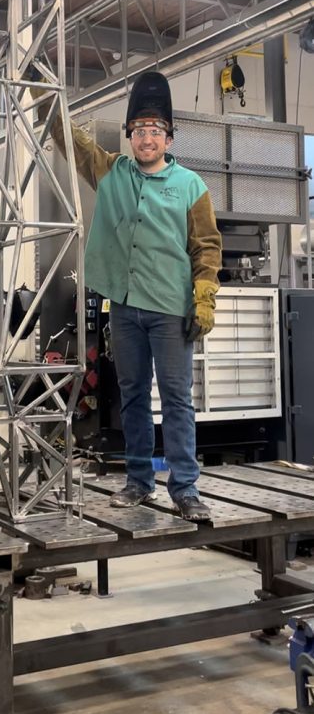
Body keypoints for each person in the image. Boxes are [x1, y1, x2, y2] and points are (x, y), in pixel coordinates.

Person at [34, 70, 222, 522]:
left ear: (169, 138)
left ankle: (185, 489)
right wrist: (46, 98)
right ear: (130, 136)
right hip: (125, 305)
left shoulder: (191, 186)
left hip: (171, 308)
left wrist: (204, 295)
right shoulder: (112, 171)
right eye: (139, 130)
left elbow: (207, 244)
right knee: (133, 395)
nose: (147, 138)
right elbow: (73, 143)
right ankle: (139, 482)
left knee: (177, 399)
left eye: (155, 131)